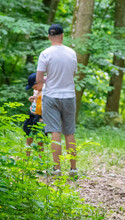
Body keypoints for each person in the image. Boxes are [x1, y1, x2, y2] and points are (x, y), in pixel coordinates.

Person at [36, 24, 78, 177]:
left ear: (49, 37)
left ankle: (57, 169)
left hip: (51, 96)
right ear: (62, 36)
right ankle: (73, 169)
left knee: (55, 131)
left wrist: (47, 80)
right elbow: (72, 74)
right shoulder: (72, 53)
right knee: (69, 132)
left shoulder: (45, 54)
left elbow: (39, 80)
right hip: (69, 95)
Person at [23, 72, 45, 157]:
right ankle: (27, 158)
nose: (34, 89)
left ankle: (41, 161)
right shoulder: (36, 91)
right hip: (32, 116)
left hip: (41, 118)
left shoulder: (46, 91)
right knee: (29, 137)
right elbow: (36, 102)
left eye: (35, 87)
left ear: (39, 83)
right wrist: (32, 98)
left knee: (40, 140)